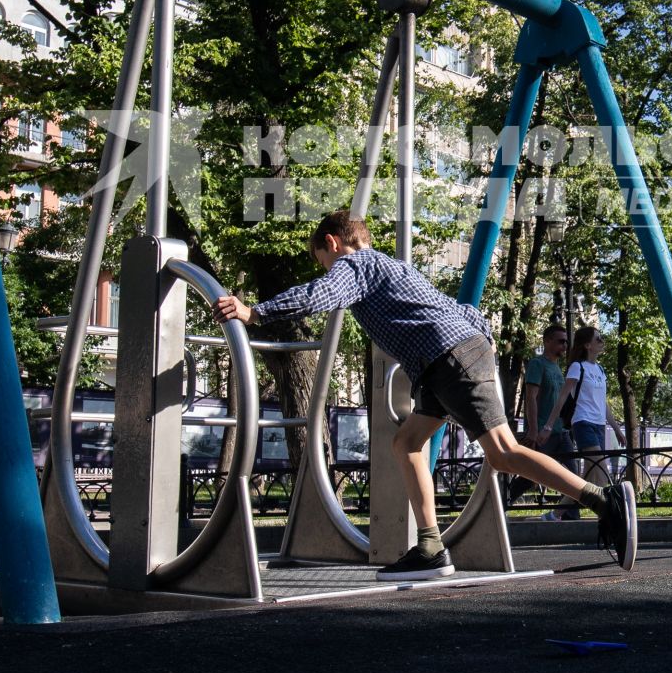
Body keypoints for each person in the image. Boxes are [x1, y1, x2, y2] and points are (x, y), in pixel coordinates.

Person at [213, 210, 637, 579]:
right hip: (443, 363)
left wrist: (256, 312)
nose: (327, 270)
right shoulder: (397, 268)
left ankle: (604, 499)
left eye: (323, 261)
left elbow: (319, 295)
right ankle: (431, 546)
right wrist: (480, 343)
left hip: (450, 360)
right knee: (407, 442)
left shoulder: (355, 265)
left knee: (503, 452)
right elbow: (463, 312)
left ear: (333, 243)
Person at [522, 324, 580, 519]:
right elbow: (530, 397)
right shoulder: (537, 364)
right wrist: (533, 429)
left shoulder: (556, 367)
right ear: (547, 341)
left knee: (573, 475)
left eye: (566, 342)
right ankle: (502, 504)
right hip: (542, 433)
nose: (565, 345)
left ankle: (572, 517)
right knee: (530, 476)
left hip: (560, 432)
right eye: (560, 341)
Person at [565, 327, 616, 491]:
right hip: (583, 422)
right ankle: (610, 509)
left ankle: (556, 513)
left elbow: (604, 404)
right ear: (587, 345)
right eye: (598, 339)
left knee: (589, 477)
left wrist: (617, 430)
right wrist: (548, 425)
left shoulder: (600, 370)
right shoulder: (577, 367)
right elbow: (562, 396)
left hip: (600, 425)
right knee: (600, 468)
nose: (602, 342)